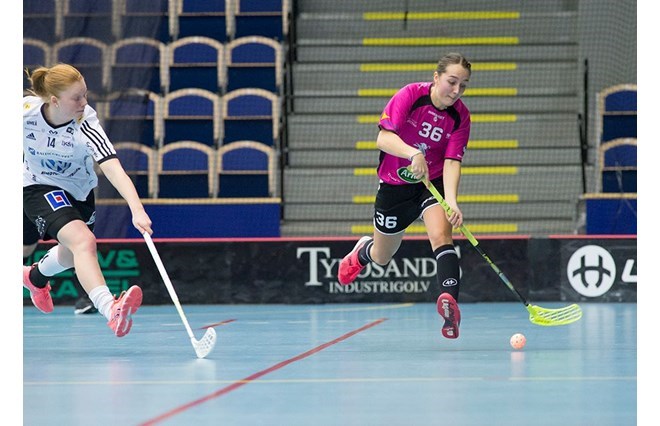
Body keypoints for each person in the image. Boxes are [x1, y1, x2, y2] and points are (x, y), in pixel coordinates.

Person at [337, 52, 472, 339]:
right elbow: (383, 138)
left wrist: (451, 202)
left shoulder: (461, 116)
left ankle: (450, 306)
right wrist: (413, 154)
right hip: (394, 186)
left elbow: (452, 161)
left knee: (441, 236)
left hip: (431, 183)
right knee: (382, 256)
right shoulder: (410, 95)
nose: (456, 91)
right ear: (436, 77)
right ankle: (363, 251)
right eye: (451, 82)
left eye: (463, 85)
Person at [23, 63, 153, 337]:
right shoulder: (24, 113)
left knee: (71, 255)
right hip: (38, 186)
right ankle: (110, 309)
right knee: (84, 241)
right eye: (76, 98)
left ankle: (34, 278)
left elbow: (112, 167)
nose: (84, 102)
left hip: (79, 193)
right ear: (55, 101)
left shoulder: (86, 123)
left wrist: (137, 209)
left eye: (85, 94)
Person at [23, 212, 97, 315]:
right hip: (35, 205)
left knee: (76, 247)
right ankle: (34, 278)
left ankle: (87, 299)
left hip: (72, 207)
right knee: (26, 248)